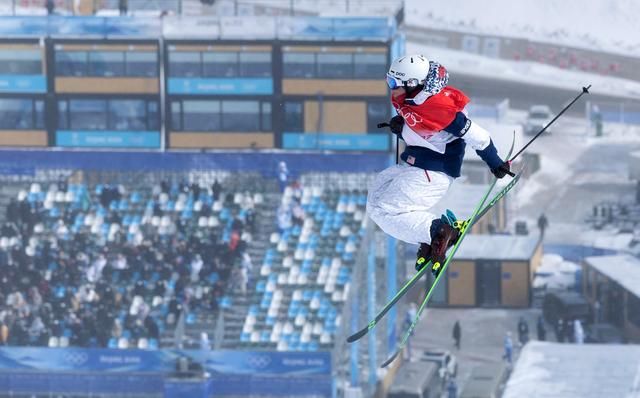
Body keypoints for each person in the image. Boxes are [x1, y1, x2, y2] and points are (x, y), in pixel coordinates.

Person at [367, 54, 511, 276]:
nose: (391, 88)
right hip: (415, 164)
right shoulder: (410, 98)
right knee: (375, 196)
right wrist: (402, 126)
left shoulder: (440, 108)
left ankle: (440, 232)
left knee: (383, 210)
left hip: (433, 172)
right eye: (389, 81)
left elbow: (478, 136)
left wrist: (494, 162)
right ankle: (427, 235)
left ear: (413, 85)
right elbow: (425, 128)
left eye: (394, 83)